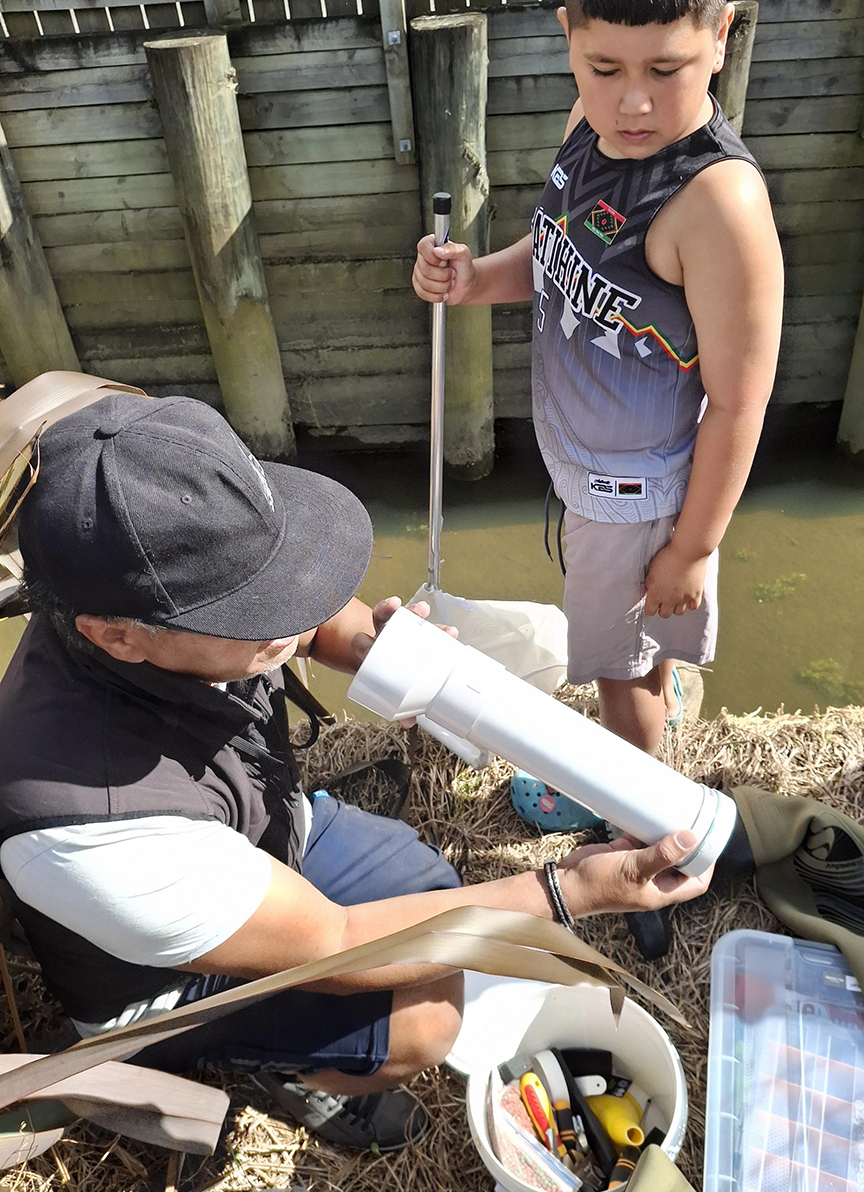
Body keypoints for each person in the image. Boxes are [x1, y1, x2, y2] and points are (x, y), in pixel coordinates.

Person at [0, 393, 712, 1152]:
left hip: (262, 832)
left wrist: (376, 646)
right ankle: (294, 1080)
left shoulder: (133, 569)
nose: (292, 611)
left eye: (279, 574)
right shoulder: (89, 822)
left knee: (430, 881)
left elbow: (305, 618)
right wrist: (569, 891)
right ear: (118, 636)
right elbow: (336, 942)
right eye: (253, 607)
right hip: (170, 989)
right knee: (428, 1021)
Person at [412, 0, 783, 829]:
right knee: (636, 654)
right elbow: (551, 255)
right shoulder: (588, 129)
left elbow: (741, 398)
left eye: (668, 67)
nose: (635, 103)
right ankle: (655, 689)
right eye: (603, 65)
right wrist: (472, 278)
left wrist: (690, 550)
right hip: (587, 478)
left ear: (722, 33)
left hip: (638, 496)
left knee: (613, 678)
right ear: (566, 32)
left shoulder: (718, 205)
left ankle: (637, 815)